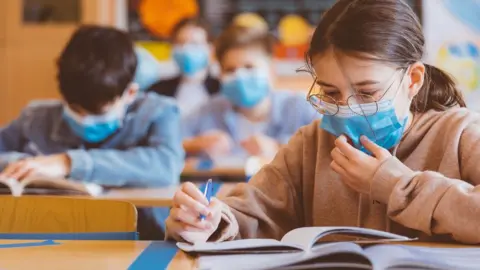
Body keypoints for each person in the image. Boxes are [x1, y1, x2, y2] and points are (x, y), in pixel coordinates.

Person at [165, 0, 480, 245]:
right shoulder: (313, 143)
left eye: (368, 92)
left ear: (412, 79)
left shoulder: (461, 134)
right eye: (331, 92)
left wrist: (397, 186)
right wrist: (208, 221)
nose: (346, 108)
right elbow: (253, 211)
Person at [0, 26, 184, 238]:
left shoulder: (158, 112)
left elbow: (166, 165)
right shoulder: (36, 117)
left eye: (99, 112)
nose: (85, 119)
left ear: (130, 93)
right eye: (76, 109)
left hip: (141, 239)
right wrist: (28, 164)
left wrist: (68, 163)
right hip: (52, 237)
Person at [182, 25, 319, 161]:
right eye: (230, 70)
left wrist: (279, 148)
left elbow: (329, 147)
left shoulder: (301, 108)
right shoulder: (209, 111)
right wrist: (195, 144)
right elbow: (169, 140)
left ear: (271, 70)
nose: (240, 76)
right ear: (220, 75)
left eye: (249, 67)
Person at [148, 17, 220, 117]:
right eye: (180, 43)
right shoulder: (157, 91)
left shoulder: (220, 89)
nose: (186, 49)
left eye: (194, 44)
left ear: (210, 49)